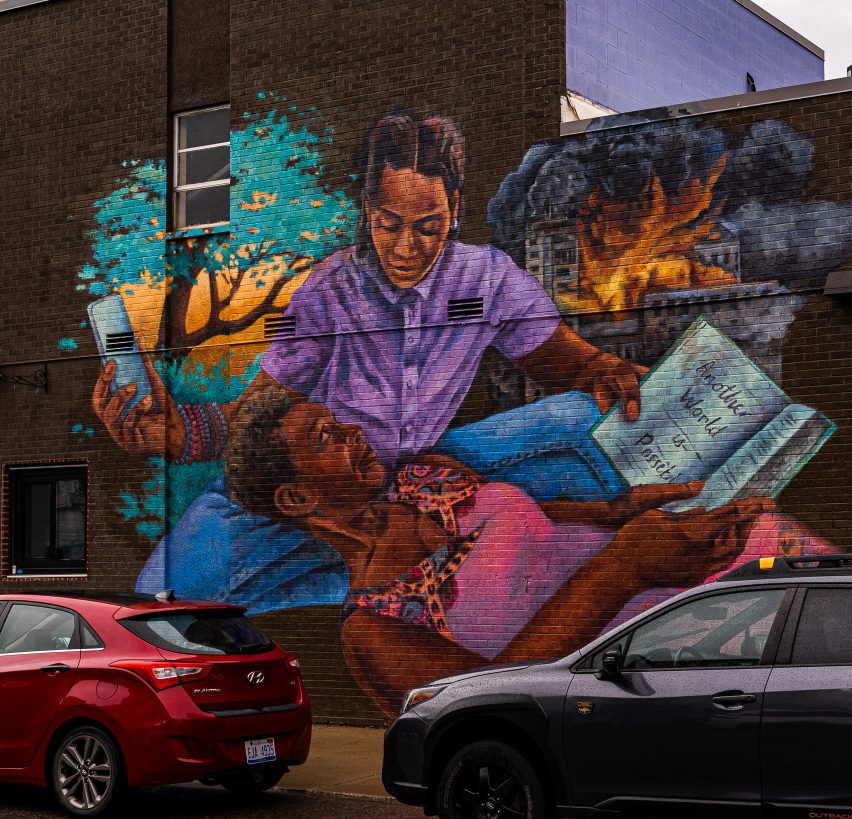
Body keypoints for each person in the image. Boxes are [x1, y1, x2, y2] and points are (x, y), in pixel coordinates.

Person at [94, 110, 645, 497]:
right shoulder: (331, 292)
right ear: (367, 209)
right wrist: (184, 432)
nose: (406, 250)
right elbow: (263, 412)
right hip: (336, 481)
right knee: (178, 567)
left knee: (583, 419)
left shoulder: (487, 278)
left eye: (429, 227)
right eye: (388, 226)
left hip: (434, 465)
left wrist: (605, 368)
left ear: (454, 206)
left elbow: (566, 362)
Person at [223, 384, 775, 715]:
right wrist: (622, 568)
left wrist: (617, 510)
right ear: (296, 497)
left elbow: (534, 516)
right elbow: (491, 703)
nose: (352, 434)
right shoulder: (375, 628)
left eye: (339, 423)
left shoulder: (426, 478)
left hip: (701, 569)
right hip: (663, 665)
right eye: (327, 438)